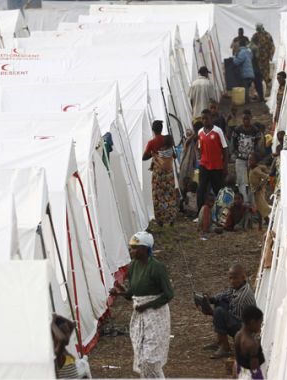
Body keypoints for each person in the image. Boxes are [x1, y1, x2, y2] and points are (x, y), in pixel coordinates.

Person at [110, 232, 174, 378]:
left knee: (150, 359)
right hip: (139, 316)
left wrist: (147, 305)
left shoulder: (157, 268)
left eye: (134, 248)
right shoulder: (133, 267)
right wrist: (119, 292)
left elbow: (169, 294)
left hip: (156, 316)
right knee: (143, 357)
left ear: (145, 249)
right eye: (131, 248)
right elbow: (132, 294)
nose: (131, 251)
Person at [199, 264, 256, 359]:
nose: (232, 281)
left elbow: (232, 316)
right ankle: (220, 341)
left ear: (243, 277)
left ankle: (225, 348)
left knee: (219, 311)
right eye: (230, 278)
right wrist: (209, 299)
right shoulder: (237, 287)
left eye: (235, 278)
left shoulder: (243, 295)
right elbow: (223, 296)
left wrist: (212, 312)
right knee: (220, 302)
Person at [197, 109, 228, 212]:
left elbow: (224, 148)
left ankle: (222, 211)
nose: (205, 120)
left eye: (206, 118)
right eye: (203, 118)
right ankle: (200, 212)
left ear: (211, 118)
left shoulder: (218, 131)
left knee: (218, 189)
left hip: (216, 166)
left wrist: (225, 165)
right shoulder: (200, 132)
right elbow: (200, 148)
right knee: (201, 189)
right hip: (204, 165)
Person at [232, 111, 262, 204]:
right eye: (244, 119)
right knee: (241, 180)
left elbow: (258, 144)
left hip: (251, 160)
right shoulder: (237, 130)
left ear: (251, 119)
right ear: (242, 119)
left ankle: (252, 201)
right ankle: (244, 201)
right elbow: (233, 142)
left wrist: (255, 157)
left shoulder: (255, 131)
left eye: (247, 119)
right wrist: (236, 153)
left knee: (251, 180)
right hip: (240, 158)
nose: (246, 121)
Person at [151, 135, 177, 227]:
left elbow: (155, 159)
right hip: (169, 177)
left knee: (159, 197)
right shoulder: (171, 151)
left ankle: (160, 220)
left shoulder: (159, 150)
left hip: (159, 177)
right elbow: (175, 157)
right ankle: (171, 219)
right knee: (170, 197)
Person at [234, 306, 265, 379]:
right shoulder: (251, 344)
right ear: (253, 322)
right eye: (260, 323)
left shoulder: (238, 335)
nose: (260, 326)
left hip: (242, 372)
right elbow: (254, 368)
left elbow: (238, 357)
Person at [52, 314, 82, 379]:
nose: (68, 336)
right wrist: (52, 323)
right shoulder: (57, 353)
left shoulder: (63, 350)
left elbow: (72, 325)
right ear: (56, 334)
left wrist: (59, 317)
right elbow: (62, 339)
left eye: (68, 332)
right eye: (64, 332)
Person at [251, 23, 275, 91]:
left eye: (258, 27)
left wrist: (270, 56)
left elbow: (272, 47)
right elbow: (251, 46)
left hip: (265, 60)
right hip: (257, 60)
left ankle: (268, 89)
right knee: (257, 75)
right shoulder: (255, 36)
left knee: (266, 75)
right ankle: (259, 92)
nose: (257, 29)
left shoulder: (267, 35)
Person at [248, 153, 271, 224]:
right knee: (259, 208)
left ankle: (269, 222)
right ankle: (261, 225)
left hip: (258, 192)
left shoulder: (256, 170)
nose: (250, 161)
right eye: (249, 160)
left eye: (252, 160)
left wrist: (260, 185)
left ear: (256, 161)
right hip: (254, 191)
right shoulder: (252, 168)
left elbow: (266, 177)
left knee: (262, 207)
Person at [233, 39, 255, 105]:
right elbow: (251, 57)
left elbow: (236, 62)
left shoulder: (241, 52)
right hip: (250, 73)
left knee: (245, 88)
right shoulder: (248, 51)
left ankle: (246, 101)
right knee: (247, 87)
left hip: (245, 73)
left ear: (239, 45)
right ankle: (247, 100)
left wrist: (235, 56)